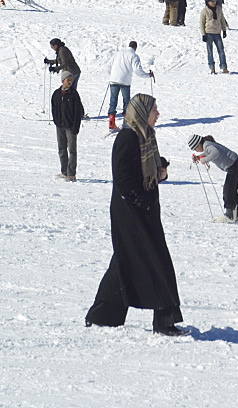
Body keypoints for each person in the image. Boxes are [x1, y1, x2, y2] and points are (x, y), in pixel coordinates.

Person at [86, 95, 184, 335]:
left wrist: (158, 170)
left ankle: (103, 315)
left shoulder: (144, 136)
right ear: (142, 112)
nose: (158, 114)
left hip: (143, 209)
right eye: (154, 110)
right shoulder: (128, 137)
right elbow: (123, 178)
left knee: (125, 260)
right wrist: (141, 200)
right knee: (155, 260)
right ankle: (164, 321)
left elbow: (142, 169)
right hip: (130, 211)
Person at [189, 132, 238, 221]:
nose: (196, 150)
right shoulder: (207, 145)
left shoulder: (207, 145)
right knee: (232, 190)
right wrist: (199, 158)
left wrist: (204, 160)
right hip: (235, 163)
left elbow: (215, 153)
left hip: (233, 165)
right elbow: (208, 153)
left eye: (195, 148)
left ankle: (230, 215)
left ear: (198, 144)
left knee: (228, 191)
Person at [108, 41, 154, 130]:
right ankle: (126, 123)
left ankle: (111, 122)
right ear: (135, 48)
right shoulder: (134, 56)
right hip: (125, 81)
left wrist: (112, 74)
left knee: (113, 101)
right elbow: (138, 71)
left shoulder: (118, 53)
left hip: (113, 79)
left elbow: (108, 66)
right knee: (126, 102)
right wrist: (148, 75)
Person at [52, 71, 83, 181]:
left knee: (72, 150)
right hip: (60, 126)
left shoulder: (74, 94)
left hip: (70, 127)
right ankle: (64, 171)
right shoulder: (56, 94)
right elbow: (54, 108)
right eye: (68, 80)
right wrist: (56, 121)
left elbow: (78, 112)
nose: (70, 82)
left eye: (71, 80)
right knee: (61, 149)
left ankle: (71, 174)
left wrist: (76, 127)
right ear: (62, 81)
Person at [200, 0, 229, 74]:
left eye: (215, 1)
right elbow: (201, 23)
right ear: (208, 2)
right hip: (208, 33)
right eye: (212, 1)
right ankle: (212, 68)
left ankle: (224, 67)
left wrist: (224, 30)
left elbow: (222, 19)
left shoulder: (219, 9)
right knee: (210, 51)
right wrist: (203, 34)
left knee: (221, 51)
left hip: (217, 33)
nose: (214, 3)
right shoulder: (204, 11)